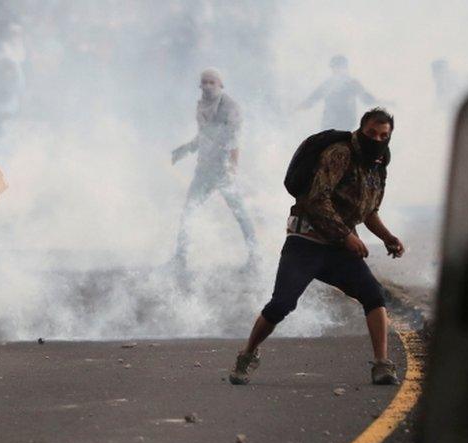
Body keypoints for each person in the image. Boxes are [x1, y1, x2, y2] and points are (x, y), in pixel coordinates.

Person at [231, 108, 405, 386]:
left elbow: (368, 211)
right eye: (372, 133)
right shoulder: (340, 153)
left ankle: (382, 364)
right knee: (282, 304)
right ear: (361, 129)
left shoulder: (378, 164)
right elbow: (317, 199)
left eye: (384, 135)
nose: (377, 139)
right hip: (306, 242)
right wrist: (346, 235)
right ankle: (248, 354)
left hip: (339, 249)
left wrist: (387, 237)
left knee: (374, 296)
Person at [171, 67, 257, 270]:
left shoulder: (229, 106)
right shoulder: (202, 105)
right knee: (188, 212)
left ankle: (255, 257)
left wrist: (231, 169)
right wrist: (185, 150)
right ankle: (180, 258)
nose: (208, 86)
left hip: (224, 170)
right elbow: (204, 135)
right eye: (205, 82)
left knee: (240, 214)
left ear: (221, 85)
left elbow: (234, 139)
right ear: (200, 85)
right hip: (204, 170)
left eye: (212, 82)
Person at [299, 55, 378, 131]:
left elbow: (365, 97)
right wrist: (299, 107)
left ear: (345, 68)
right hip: (329, 124)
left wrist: (372, 100)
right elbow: (313, 98)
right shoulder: (328, 84)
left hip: (346, 123)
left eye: (339, 67)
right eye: (334, 67)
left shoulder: (352, 83)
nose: (336, 70)